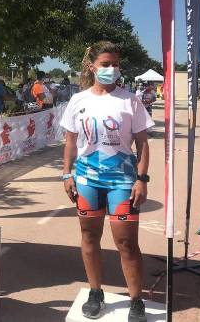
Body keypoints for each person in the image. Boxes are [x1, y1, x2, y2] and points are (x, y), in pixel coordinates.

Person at [60, 41, 153, 322]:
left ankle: (136, 300)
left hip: (122, 181)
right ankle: (95, 292)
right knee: (89, 236)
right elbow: (70, 142)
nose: (112, 69)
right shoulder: (78, 100)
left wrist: (142, 179)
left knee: (126, 243)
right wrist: (67, 174)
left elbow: (142, 143)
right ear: (92, 67)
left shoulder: (130, 100)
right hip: (87, 179)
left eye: (115, 64)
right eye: (105, 64)